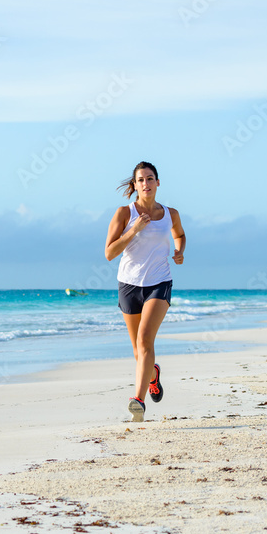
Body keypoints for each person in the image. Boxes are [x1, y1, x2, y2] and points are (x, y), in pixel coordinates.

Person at [104, 161, 186, 421]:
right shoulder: (124, 214)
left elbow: (180, 235)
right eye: (141, 180)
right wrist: (134, 230)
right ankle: (153, 375)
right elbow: (109, 253)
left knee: (144, 340)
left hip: (159, 283)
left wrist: (179, 251)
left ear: (158, 182)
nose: (146, 184)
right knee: (138, 351)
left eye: (150, 179)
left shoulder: (170, 214)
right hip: (128, 285)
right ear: (135, 185)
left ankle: (138, 399)